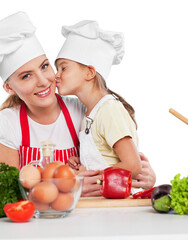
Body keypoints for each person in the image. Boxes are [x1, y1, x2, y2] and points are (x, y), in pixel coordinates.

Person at [0, 12, 155, 196]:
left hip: (87, 219)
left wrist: (144, 176)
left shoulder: (84, 110)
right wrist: (68, 186)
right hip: (35, 223)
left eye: (45, 66)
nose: (44, 81)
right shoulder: (7, 122)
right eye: (26, 76)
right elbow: (6, 191)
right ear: (9, 87)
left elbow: (122, 161)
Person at [55, 20, 142, 178]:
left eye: (63, 67)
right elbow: (107, 158)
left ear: (89, 73)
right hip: (103, 200)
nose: (56, 75)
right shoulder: (91, 113)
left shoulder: (109, 110)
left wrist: (89, 175)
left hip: (119, 202)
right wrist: (83, 163)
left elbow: (133, 165)